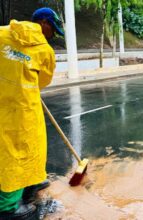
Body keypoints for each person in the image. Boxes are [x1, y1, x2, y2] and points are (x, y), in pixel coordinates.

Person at [0, 7, 63, 219]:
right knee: (16, 154)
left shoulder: (3, 33)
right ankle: (8, 207)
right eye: (52, 29)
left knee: (23, 149)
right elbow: (43, 81)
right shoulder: (45, 51)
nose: (52, 34)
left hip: (9, 105)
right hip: (24, 109)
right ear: (43, 22)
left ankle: (32, 181)